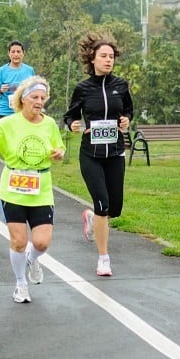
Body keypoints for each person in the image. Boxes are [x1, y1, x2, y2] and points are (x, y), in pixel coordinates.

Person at [0, 77, 65, 303]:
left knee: (41, 243)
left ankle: (32, 258)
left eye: (42, 97)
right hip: (13, 189)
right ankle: (21, 283)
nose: (39, 101)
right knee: (19, 241)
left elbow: (59, 149)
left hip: (41, 190)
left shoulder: (49, 124)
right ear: (22, 99)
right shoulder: (8, 124)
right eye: (34, 97)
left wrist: (59, 154)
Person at [61, 32, 133, 277]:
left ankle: (92, 218)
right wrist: (72, 124)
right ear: (92, 59)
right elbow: (69, 115)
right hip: (90, 153)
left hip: (115, 153)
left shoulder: (120, 86)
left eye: (111, 56)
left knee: (114, 209)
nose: (108, 60)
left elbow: (128, 112)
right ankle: (104, 258)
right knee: (102, 204)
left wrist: (126, 120)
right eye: (103, 56)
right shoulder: (83, 88)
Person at [0, 41, 35, 119]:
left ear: (23, 53)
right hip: (5, 112)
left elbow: (35, 91)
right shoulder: (2, 70)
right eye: (13, 52)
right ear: (9, 53)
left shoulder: (29, 70)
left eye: (18, 51)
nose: (16, 54)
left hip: (23, 111)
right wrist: (0, 90)